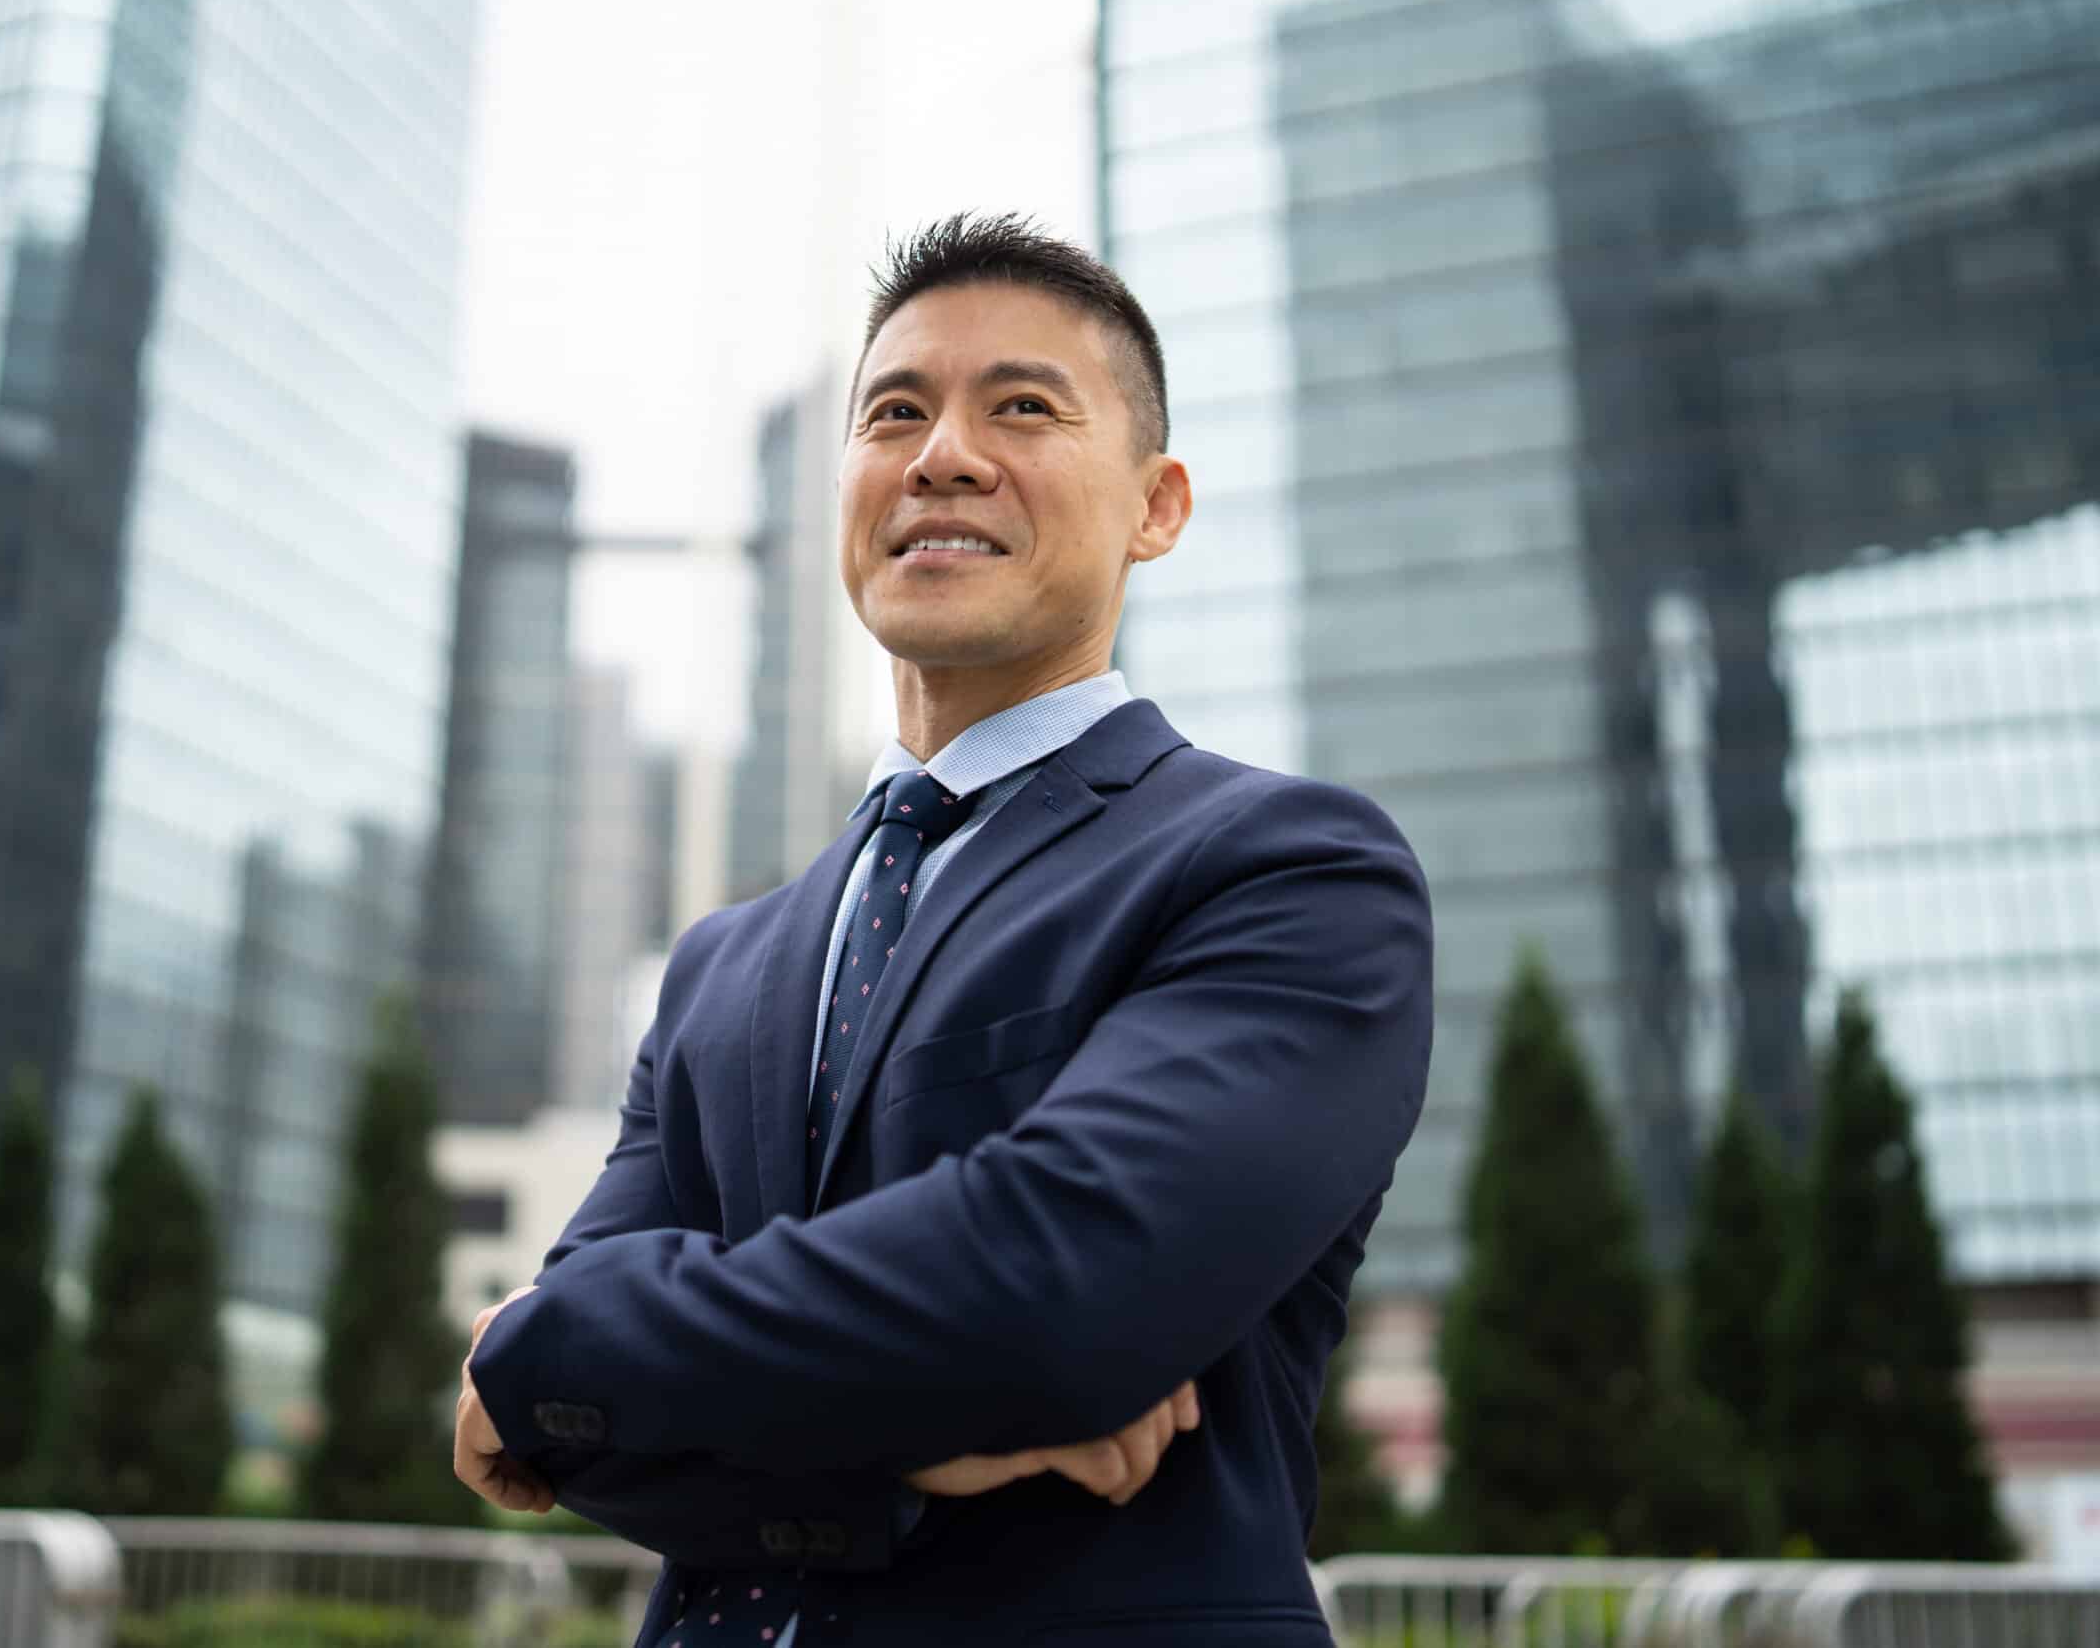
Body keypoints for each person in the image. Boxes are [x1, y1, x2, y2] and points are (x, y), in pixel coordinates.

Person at [453, 213, 1432, 1646]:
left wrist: (547, 1350)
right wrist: (903, 1450)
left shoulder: (1286, 871)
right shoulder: (723, 961)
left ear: (1157, 506)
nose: (942, 454)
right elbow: (561, 1439)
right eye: (894, 413)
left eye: (1022, 406)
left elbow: (1059, 1281)